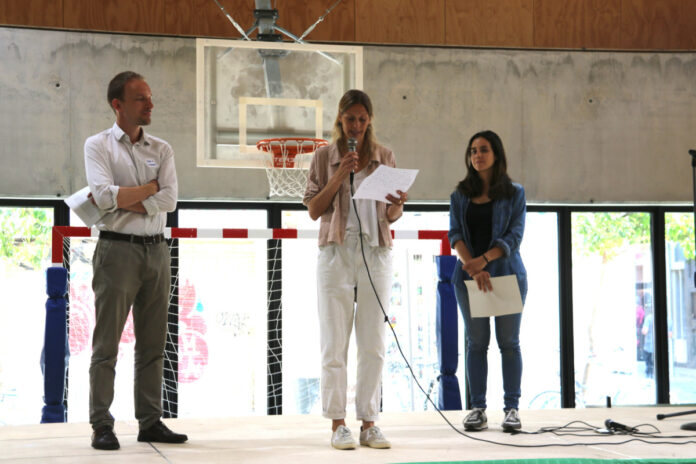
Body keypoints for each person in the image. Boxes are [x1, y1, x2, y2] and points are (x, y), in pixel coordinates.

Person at [84, 71, 186, 450]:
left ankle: (150, 421)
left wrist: (125, 197)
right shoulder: (97, 145)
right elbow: (101, 196)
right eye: (141, 98)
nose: (150, 104)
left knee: (153, 345)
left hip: (157, 251)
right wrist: (148, 189)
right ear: (118, 104)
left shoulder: (163, 149)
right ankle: (101, 424)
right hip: (116, 251)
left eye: (149, 97)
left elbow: (169, 200)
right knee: (106, 344)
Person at [303, 89, 407, 450]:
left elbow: (391, 215)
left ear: (370, 120)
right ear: (340, 119)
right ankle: (337, 424)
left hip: (375, 252)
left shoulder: (384, 156)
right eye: (350, 119)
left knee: (373, 342)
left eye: (363, 119)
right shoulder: (324, 157)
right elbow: (314, 209)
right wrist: (339, 175)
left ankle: (369, 422)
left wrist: (398, 205)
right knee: (334, 342)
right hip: (336, 251)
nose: (357, 125)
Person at [448, 130, 527, 432]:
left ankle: (512, 409)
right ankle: (477, 409)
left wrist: (484, 260)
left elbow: (514, 236)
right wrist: (473, 267)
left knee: (509, 343)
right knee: (477, 343)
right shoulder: (459, 195)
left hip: (506, 275)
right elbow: (455, 234)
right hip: (470, 278)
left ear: (496, 154)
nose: (477, 155)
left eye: (483, 150)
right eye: (472, 151)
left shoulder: (514, 193)